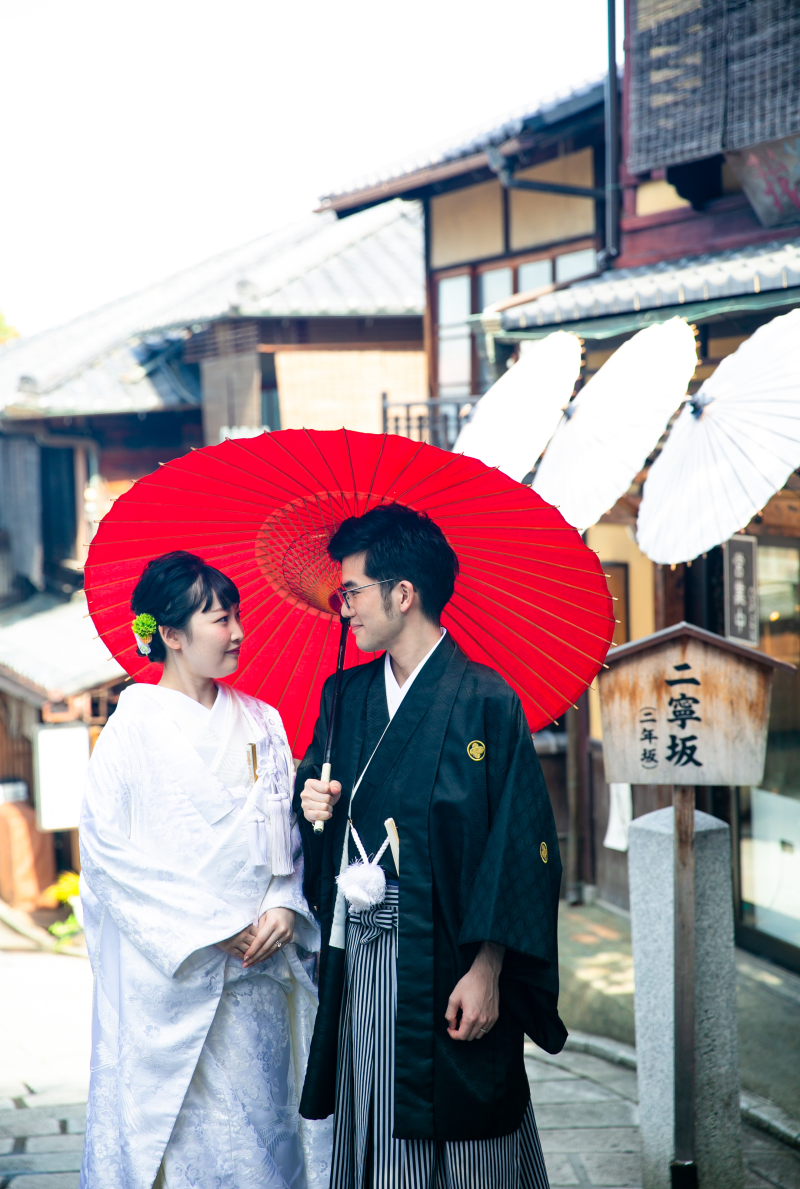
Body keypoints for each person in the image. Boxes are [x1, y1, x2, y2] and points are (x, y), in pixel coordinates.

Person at [294, 504, 565, 1189]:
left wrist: (489, 969)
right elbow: (313, 817)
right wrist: (313, 806)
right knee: (376, 1121)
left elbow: (520, 844)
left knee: (470, 1129)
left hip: (453, 960)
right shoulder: (344, 697)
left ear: (403, 594)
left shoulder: (485, 702)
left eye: (352, 590)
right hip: (366, 956)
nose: (343, 607)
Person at [79, 551, 331, 1189]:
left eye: (237, 616)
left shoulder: (263, 722)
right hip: (179, 973)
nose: (238, 632)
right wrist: (212, 925)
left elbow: (286, 839)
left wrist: (283, 903)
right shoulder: (130, 730)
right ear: (170, 634)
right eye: (220, 619)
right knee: (187, 1142)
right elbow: (108, 857)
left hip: (259, 971)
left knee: (268, 1130)